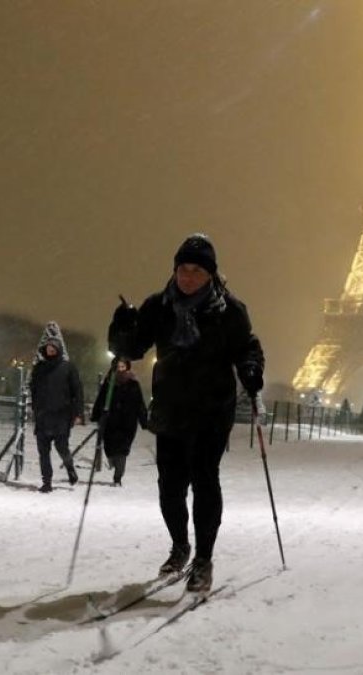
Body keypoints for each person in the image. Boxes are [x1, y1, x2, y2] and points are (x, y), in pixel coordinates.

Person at [108, 233, 264, 594]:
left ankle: (204, 560)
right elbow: (131, 348)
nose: (188, 277)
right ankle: (180, 546)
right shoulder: (158, 307)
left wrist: (251, 368)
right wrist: (120, 328)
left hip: (212, 409)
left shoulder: (231, 311)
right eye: (182, 269)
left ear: (210, 274)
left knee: (205, 481)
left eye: (196, 270)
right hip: (171, 406)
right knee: (170, 487)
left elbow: (247, 347)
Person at [29, 322, 85, 493]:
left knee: (62, 448)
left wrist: (77, 413)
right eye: (48, 347)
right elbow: (34, 388)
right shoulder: (39, 368)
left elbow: (77, 391)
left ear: (59, 349)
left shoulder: (68, 368)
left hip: (61, 416)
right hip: (43, 416)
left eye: (53, 347)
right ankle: (47, 482)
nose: (50, 349)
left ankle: (70, 469)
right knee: (43, 453)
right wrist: (35, 407)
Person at [90, 359, 148, 486]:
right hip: (110, 422)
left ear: (127, 367)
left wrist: (144, 420)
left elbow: (139, 403)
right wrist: (96, 415)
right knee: (110, 448)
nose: (120, 369)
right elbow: (101, 399)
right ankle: (113, 463)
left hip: (127, 422)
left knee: (122, 450)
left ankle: (118, 477)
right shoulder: (109, 382)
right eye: (118, 367)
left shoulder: (133, 384)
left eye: (123, 366)